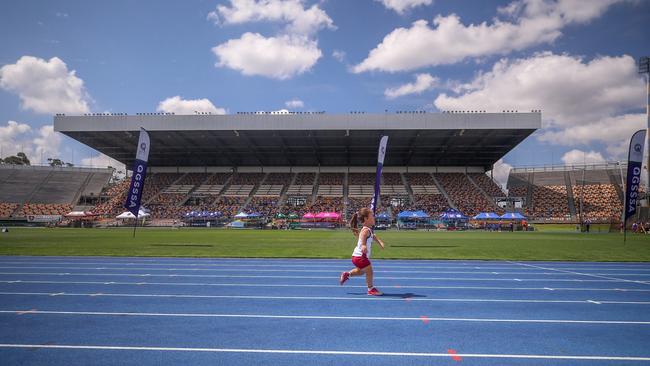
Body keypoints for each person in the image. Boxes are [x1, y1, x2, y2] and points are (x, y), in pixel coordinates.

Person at [339, 207, 385, 296]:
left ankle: (347, 274)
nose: (374, 218)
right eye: (372, 216)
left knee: (361, 272)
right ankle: (370, 289)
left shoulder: (369, 229)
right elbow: (363, 237)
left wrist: (380, 242)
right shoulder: (365, 230)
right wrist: (363, 245)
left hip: (357, 256)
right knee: (369, 270)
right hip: (360, 256)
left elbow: (373, 236)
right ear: (366, 219)